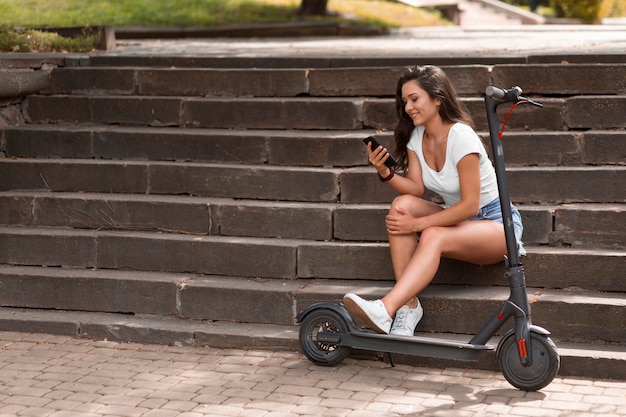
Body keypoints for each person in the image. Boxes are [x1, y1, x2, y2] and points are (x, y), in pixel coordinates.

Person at [343, 65, 525, 336]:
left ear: (437, 98)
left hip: (496, 223)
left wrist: (417, 225)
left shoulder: (461, 137)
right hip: (459, 220)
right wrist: (386, 172)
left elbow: (469, 206)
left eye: (414, 99)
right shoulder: (417, 136)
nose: (408, 107)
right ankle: (409, 305)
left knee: (431, 235)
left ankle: (386, 307)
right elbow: (415, 188)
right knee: (401, 207)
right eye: (404, 101)